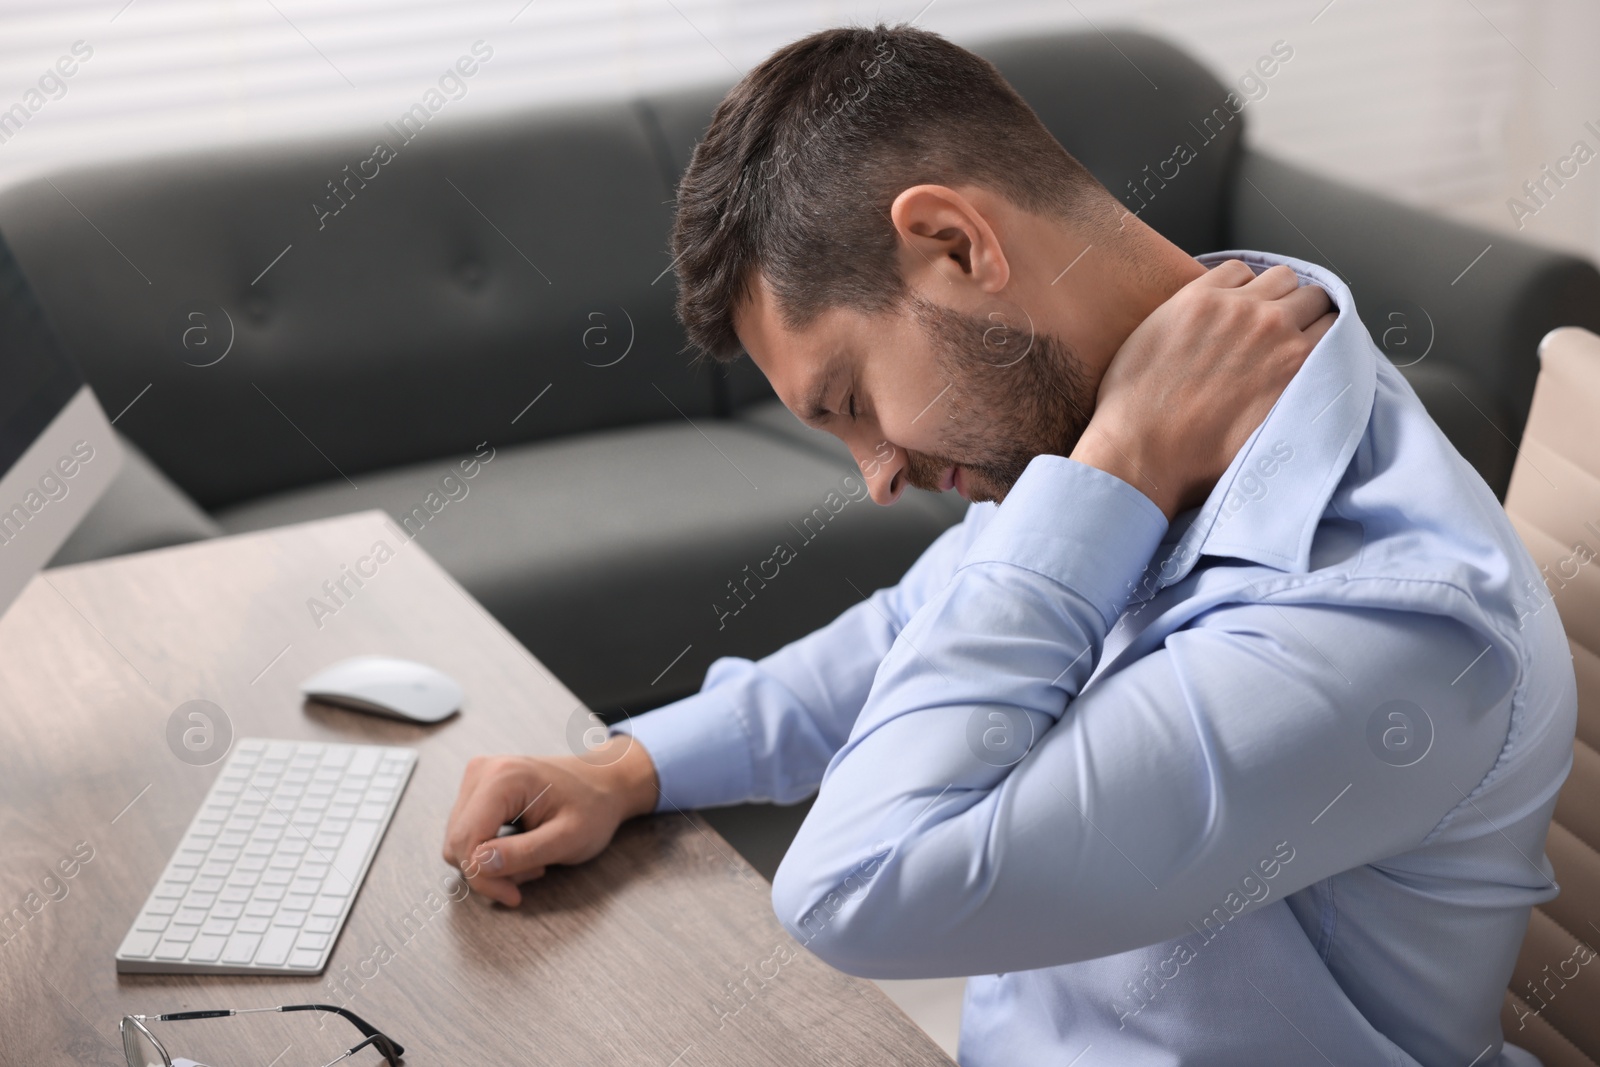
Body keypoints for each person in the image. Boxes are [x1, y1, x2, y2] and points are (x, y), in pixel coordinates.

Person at [443, 24, 1575, 1067]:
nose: (878, 475)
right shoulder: (1093, 416)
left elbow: (856, 884)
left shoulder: (1385, 623)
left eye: (851, 397)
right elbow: (909, 631)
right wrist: (625, 768)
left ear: (953, 243)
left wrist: (1117, 472)